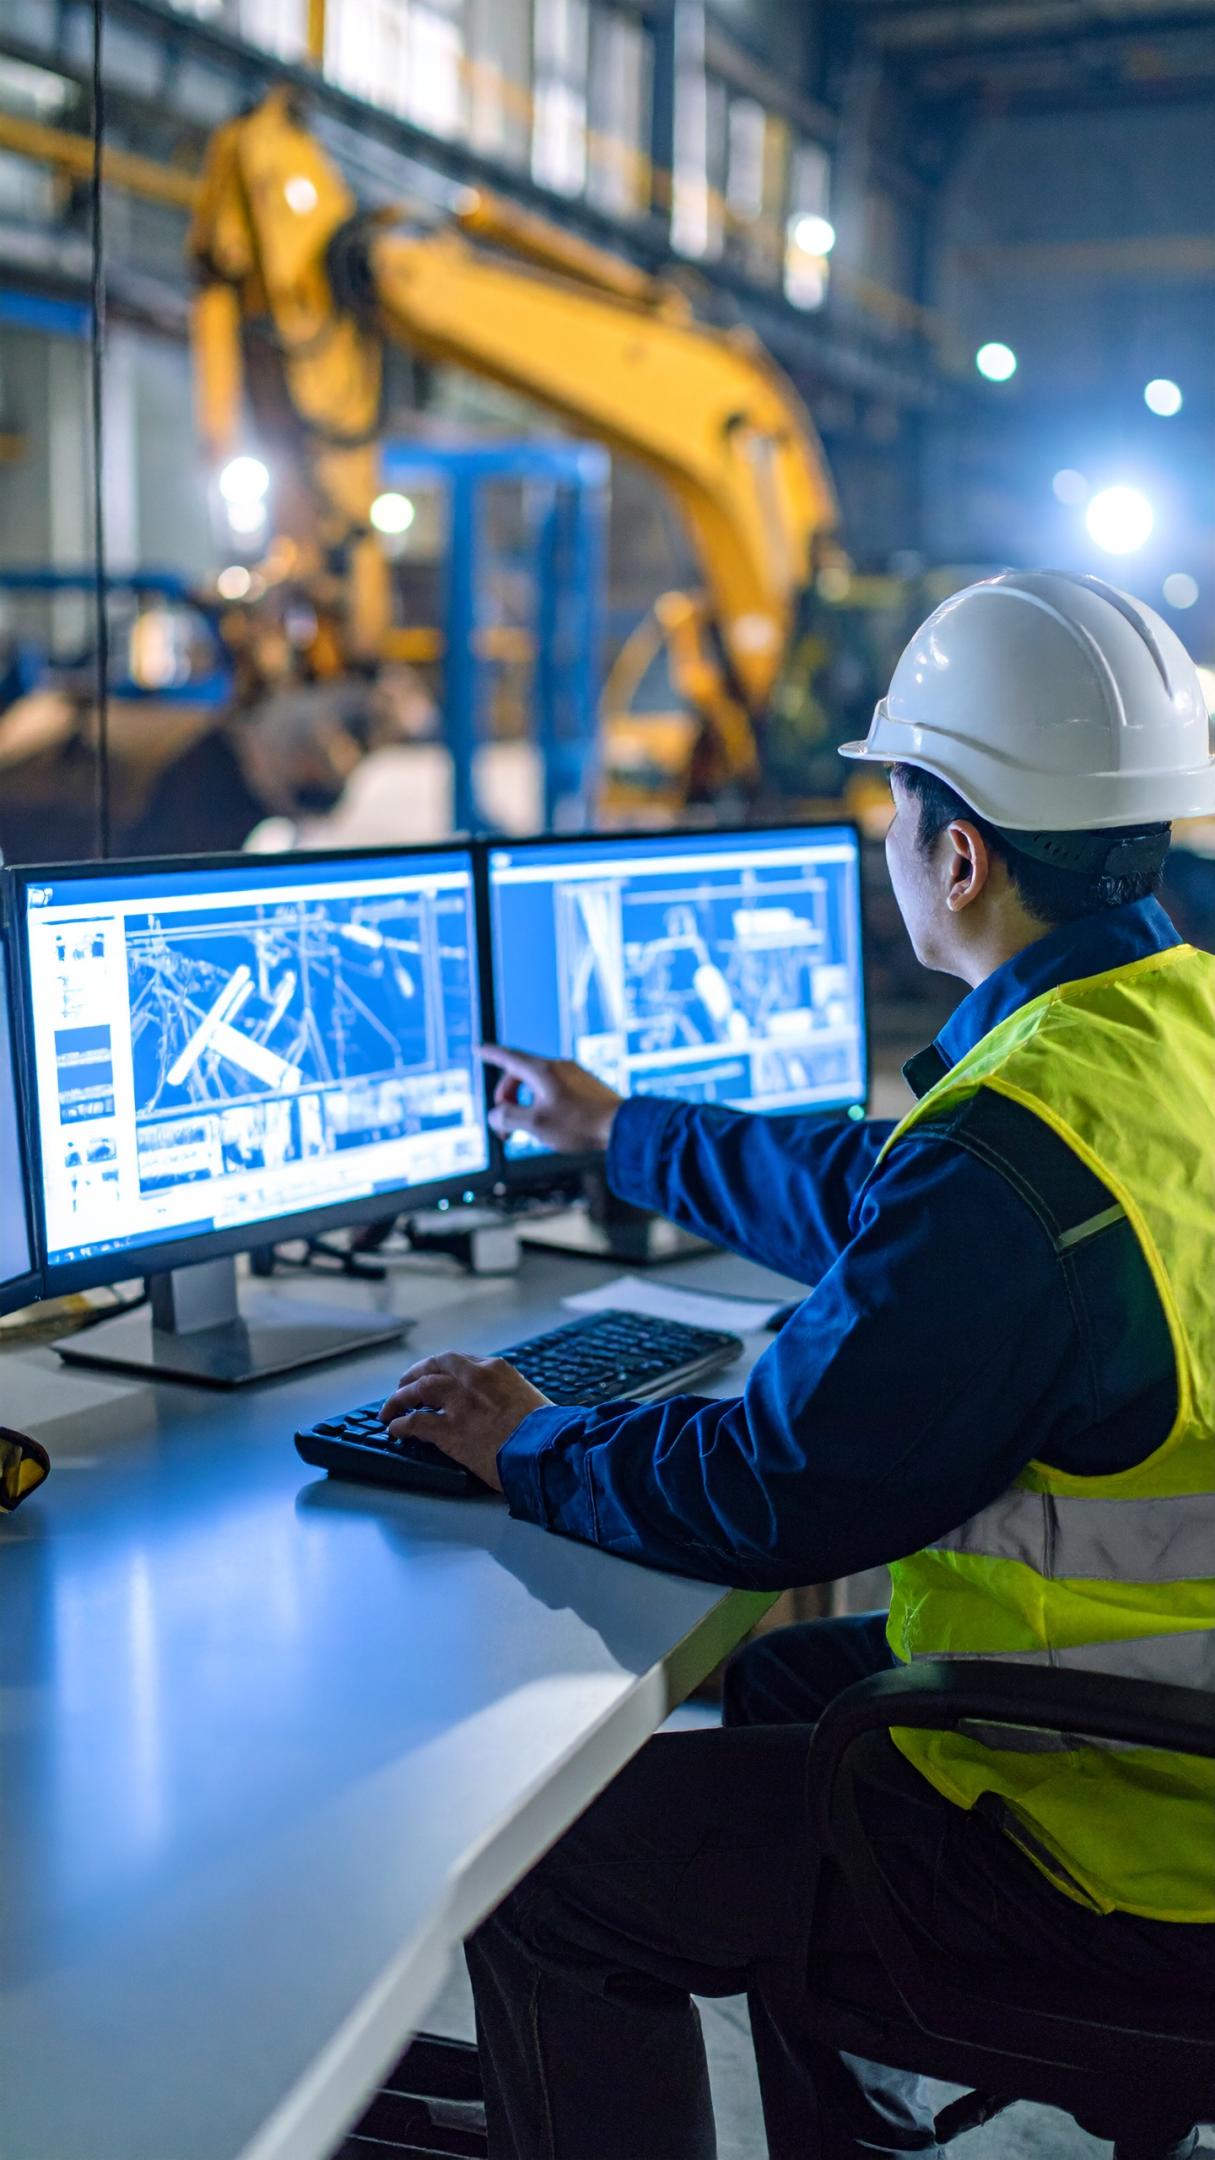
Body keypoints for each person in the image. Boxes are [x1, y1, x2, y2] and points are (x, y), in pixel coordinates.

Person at [379, 571, 1215, 2160]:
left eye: (892, 805)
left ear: (958, 855)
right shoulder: (1162, 1037)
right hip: (1169, 1748)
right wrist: (619, 1129)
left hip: (1119, 1842)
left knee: (543, 1863)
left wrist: (529, 1439)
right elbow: (886, 1204)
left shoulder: (1014, 1163)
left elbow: (777, 1488)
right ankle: (855, 2118)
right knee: (768, 1682)